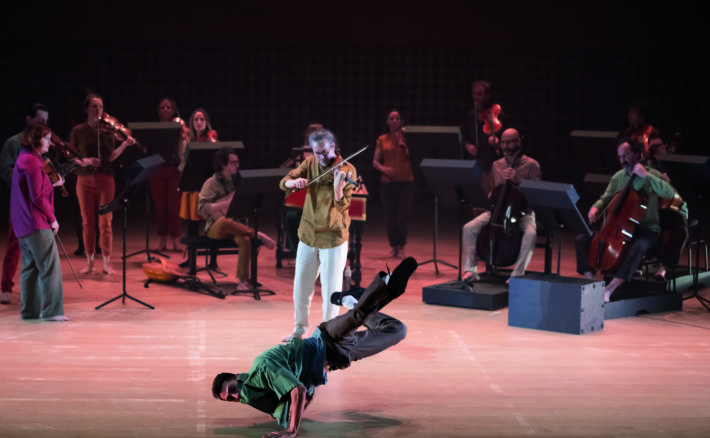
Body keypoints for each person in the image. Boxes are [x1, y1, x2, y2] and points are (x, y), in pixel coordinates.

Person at [212, 257, 417, 438]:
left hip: (327, 338)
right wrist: (295, 410)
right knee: (398, 330)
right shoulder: (267, 393)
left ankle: (385, 283)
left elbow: (299, 390)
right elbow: (308, 390)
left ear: (238, 376)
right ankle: (352, 299)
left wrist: (293, 429)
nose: (236, 396)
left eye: (232, 389)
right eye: (230, 399)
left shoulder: (264, 368)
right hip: (342, 356)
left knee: (357, 317)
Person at [279, 129, 357, 342]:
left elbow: (343, 207)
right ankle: (299, 329)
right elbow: (284, 181)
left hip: (332, 237)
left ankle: (328, 334)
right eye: (316, 152)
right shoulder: (310, 164)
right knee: (301, 287)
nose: (320, 157)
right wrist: (294, 183)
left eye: (323, 152)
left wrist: (339, 190)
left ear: (332, 147)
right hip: (309, 234)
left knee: (331, 290)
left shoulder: (347, 170)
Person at [575, 139, 676, 302]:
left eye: (626, 155)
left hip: (647, 230)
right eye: (620, 156)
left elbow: (670, 193)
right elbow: (606, 198)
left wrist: (647, 176)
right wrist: (595, 207)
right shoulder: (618, 177)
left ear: (637, 154)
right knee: (581, 240)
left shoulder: (651, 174)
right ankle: (592, 284)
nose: (622, 160)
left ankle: (609, 289)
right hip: (619, 229)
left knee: (638, 247)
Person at [69, 92, 137, 275]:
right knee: (87, 222)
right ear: (86, 109)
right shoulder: (78, 131)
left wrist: (123, 145)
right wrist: (85, 161)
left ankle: (106, 262)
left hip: (106, 178)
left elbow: (111, 157)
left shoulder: (107, 131)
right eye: (94, 106)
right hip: (84, 179)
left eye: (100, 106)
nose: (98, 109)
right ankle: (90, 261)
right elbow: (71, 156)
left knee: (105, 221)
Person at [461, 128, 541, 283]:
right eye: (503, 142)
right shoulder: (496, 165)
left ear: (518, 142)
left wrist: (518, 179)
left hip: (523, 212)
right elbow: (493, 191)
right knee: (468, 228)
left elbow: (536, 194)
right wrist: (484, 202)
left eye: (509, 142)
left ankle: (517, 274)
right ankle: (471, 271)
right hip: (497, 210)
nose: (505, 146)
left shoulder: (532, 165)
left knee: (531, 233)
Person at [197, 147, 276, 290]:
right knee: (224, 222)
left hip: (237, 226)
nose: (237, 165)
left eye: (238, 162)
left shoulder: (238, 182)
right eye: (233, 162)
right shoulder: (211, 183)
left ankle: (242, 281)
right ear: (223, 164)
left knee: (245, 239)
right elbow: (202, 208)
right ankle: (258, 234)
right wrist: (226, 203)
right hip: (216, 228)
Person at [10, 124, 67, 321]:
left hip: (23, 224)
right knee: (49, 268)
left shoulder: (25, 158)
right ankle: (52, 312)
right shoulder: (34, 162)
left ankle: (29, 312)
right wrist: (52, 219)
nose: (49, 142)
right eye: (46, 138)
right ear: (36, 139)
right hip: (36, 223)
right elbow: (37, 197)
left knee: (30, 268)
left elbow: (33, 188)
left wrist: (52, 183)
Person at [0, 104, 49, 305]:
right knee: (15, 246)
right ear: (29, 120)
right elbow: (4, 170)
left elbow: (48, 172)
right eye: (41, 120)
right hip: (20, 204)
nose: (44, 124)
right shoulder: (13, 143)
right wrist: (27, 179)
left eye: (46, 121)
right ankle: (5, 287)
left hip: (38, 204)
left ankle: (37, 291)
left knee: (40, 249)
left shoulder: (43, 145)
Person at [643, 131, 689, 281]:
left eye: (658, 147)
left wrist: (670, 182)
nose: (655, 151)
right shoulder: (648, 164)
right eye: (651, 147)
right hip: (654, 207)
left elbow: (684, 192)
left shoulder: (676, 164)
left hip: (676, 206)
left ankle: (665, 267)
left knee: (682, 232)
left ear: (666, 146)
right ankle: (635, 264)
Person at [373, 110, 414, 258]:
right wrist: (385, 169)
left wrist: (405, 147)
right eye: (392, 118)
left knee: (402, 216)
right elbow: (375, 162)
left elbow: (414, 157)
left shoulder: (406, 138)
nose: (395, 120)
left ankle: (402, 246)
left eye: (397, 118)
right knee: (390, 216)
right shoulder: (382, 139)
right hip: (387, 183)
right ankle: (393, 246)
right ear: (388, 121)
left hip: (406, 182)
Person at [150, 98, 186, 252]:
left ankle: (176, 240)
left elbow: (187, 136)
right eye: (162, 107)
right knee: (160, 207)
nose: (165, 110)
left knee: (174, 207)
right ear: (158, 111)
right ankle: (162, 240)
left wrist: (181, 124)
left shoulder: (178, 126)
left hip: (174, 170)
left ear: (173, 110)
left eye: (168, 107)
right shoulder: (153, 128)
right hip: (156, 171)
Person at [462, 80, 505, 193]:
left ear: (488, 95)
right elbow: (464, 138)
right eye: (474, 94)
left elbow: (507, 141)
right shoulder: (471, 115)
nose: (476, 97)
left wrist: (498, 142)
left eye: (480, 94)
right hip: (475, 166)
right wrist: (467, 146)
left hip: (492, 166)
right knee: (475, 205)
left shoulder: (497, 113)